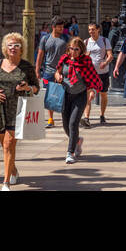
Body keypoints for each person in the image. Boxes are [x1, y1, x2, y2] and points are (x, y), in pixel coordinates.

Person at [0, 33, 39, 191]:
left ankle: (5, 182)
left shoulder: (27, 66)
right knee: (5, 145)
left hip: (18, 110)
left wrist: (27, 87)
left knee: (8, 144)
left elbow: (36, 88)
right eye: (10, 45)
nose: (13, 48)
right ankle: (13, 170)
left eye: (17, 45)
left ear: (21, 49)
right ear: (5, 48)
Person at [54, 35, 102, 164]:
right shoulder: (64, 59)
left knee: (73, 123)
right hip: (65, 95)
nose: (73, 52)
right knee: (65, 125)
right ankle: (77, 140)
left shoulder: (86, 61)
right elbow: (57, 71)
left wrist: (92, 90)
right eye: (71, 49)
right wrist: (58, 75)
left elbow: (92, 78)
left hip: (80, 96)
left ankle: (70, 152)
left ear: (81, 50)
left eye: (76, 49)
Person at [36, 18, 68, 128]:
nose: (62, 29)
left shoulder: (66, 38)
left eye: (63, 27)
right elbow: (40, 55)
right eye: (60, 27)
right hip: (48, 71)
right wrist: (37, 70)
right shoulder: (45, 39)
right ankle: (50, 119)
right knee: (50, 95)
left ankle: (66, 117)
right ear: (54, 27)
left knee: (63, 94)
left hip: (62, 71)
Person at [82, 22, 112, 125]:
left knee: (103, 94)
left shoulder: (104, 40)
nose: (91, 31)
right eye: (89, 30)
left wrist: (105, 62)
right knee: (88, 95)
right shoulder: (86, 42)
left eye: (93, 29)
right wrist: (86, 56)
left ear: (98, 29)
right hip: (90, 73)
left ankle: (102, 115)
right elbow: (82, 58)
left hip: (102, 73)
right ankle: (86, 118)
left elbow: (110, 56)